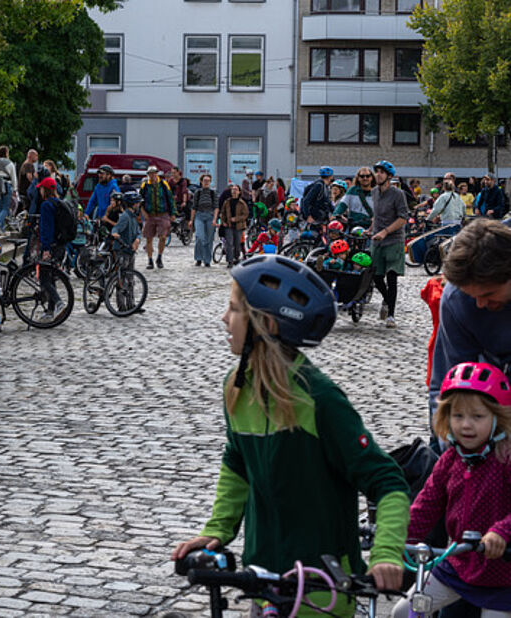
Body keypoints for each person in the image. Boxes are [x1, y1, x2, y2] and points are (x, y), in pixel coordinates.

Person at [171, 255, 408, 617]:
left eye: (233, 309)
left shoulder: (319, 398)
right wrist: (218, 529)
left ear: (264, 324)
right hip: (263, 580)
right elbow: (237, 463)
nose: (224, 318)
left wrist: (387, 554)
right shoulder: (236, 387)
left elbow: (387, 480)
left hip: (321, 586)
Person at [391, 362, 511, 618]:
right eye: (457, 416)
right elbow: (426, 504)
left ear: (497, 418)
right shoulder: (450, 460)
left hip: (503, 574)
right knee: (404, 612)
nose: (466, 425)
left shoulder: (505, 458)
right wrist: (399, 537)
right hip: (458, 565)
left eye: (477, 417)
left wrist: (501, 532)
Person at [429, 219, 511, 422]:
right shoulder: (456, 299)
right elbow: (451, 384)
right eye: (472, 296)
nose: (481, 304)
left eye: (489, 294)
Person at [369, 160, 409, 329]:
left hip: (394, 240)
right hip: (377, 239)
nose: (378, 174)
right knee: (376, 276)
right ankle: (386, 299)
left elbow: (403, 218)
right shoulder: (374, 192)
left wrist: (385, 231)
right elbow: (376, 216)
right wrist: (370, 229)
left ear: (389, 176)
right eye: (376, 171)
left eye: (382, 172)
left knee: (391, 277)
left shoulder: (398, 194)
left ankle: (391, 315)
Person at [36, 177, 65, 318]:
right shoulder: (59, 203)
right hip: (60, 245)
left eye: (41, 188)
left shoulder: (46, 205)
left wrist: (46, 248)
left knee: (44, 278)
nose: (40, 190)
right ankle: (50, 311)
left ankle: (58, 303)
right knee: (51, 277)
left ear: (45, 190)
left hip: (50, 246)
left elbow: (47, 229)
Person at [139, 165, 174, 269]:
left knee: (163, 237)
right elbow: (139, 200)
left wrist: (172, 213)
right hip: (150, 215)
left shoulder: (163, 184)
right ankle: (150, 260)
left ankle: (159, 257)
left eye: (154, 173)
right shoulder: (145, 185)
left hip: (163, 214)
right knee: (149, 238)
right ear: (148, 175)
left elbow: (170, 199)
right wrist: (143, 212)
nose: (152, 175)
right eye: (150, 173)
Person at [190, 173, 217, 267]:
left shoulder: (213, 193)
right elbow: (194, 207)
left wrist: (215, 219)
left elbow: (216, 207)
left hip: (210, 215)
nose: (206, 182)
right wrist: (191, 220)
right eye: (204, 181)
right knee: (199, 237)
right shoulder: (198, 192)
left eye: (208, 181)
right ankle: (198, 258)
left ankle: (207, 260)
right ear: (201, 182)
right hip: (199, 215)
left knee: (209, 239)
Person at [110, 191, 142, 270]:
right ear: (133, 204)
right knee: (123, 272)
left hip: (130, 249)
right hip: (122, 249)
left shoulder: (133, 216)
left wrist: (137, 239)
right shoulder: (125, 216)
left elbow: (138, 231)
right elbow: (117, 227)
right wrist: (114, 233)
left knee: (130, 275)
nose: (139, 205)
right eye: (137, 203)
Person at [219, 184, 249, 267]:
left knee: (237, 243)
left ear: (239, 192)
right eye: (233, 190)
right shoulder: (227, 202)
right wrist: (223, 221)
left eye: (236, 189)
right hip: (228, 225)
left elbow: (245, 214)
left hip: (238, 226)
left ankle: (236, 257)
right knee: (229, 243)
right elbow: (223, 213)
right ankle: (229, 261)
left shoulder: (242, 203)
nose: (234, 191)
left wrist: (236, 219)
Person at [17, 149, 39, 213]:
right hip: (25, 191)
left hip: (24, 191)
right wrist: (36, 185)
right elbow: (29, 177)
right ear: (30, 156)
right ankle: (30, 219)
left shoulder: (29, 164)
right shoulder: (28, 164)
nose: (37, 158)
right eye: (36, 156)